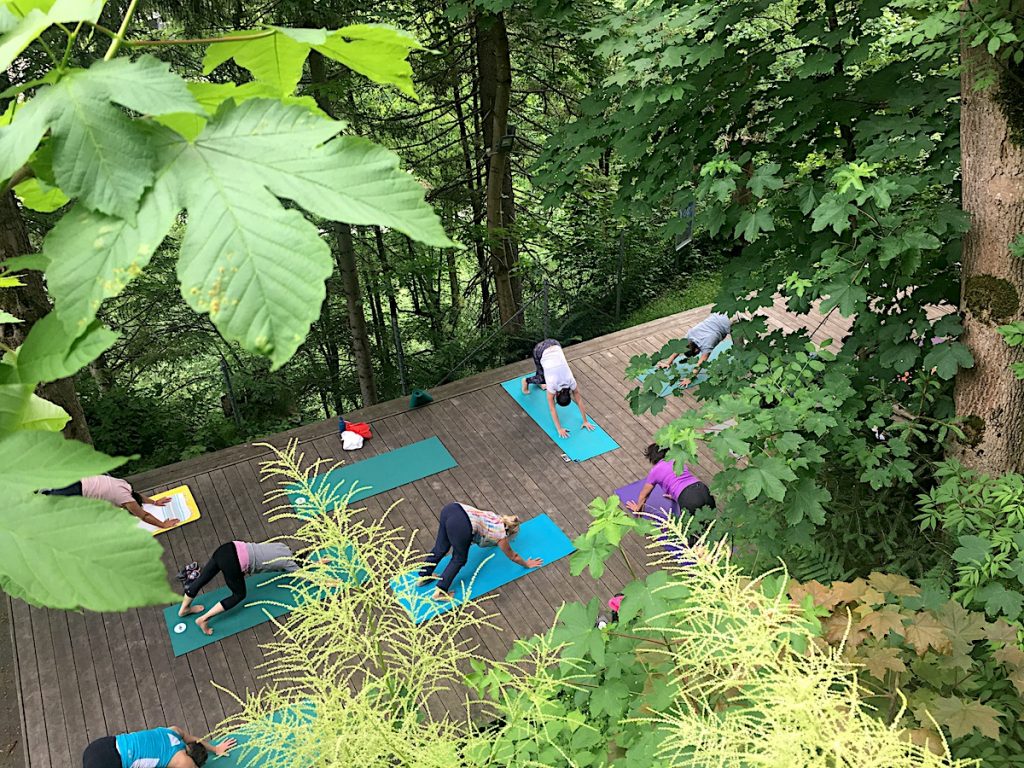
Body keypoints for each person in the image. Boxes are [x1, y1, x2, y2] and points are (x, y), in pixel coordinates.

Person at [419, 502, 544, 601]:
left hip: (451, 509)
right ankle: (440, 591)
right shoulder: (501, 535)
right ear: (509, 532)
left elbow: (485, 532)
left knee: (440, 547)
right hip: (461, 524)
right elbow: (513, 556)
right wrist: (527, 564)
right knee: (459, 559)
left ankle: (424, 575)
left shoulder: (496, 517)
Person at [178, 540, 302, 635]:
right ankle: (204, 619)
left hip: (228, 548)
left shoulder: (282, 546)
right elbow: (305, 574)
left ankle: (184, 609)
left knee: (203, 578)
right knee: (239, 595)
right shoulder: (288, 562)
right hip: (234, 562)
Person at [520, 338, 596, 438]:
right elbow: (552, 409)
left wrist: (585, 421)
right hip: (540, 350)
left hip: (555, 343)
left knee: (544, 373)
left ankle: (539, 380)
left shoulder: (571, 382)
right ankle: (526, 381)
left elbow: (579, 400)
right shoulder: (552, 385)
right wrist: (559, 429)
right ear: (557, 394)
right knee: (542, 378)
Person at [43, 475, 177, 529]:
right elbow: (144, 515)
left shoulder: (125, 486)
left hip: (77, 480)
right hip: (76, 490)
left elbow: (137, 496)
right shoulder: (126, 500)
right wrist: (163, 525)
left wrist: (153, 502)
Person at [626, 443, 716, 516]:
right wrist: (675, 495)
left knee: (691, 532)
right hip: (703, 489)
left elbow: (644, 495)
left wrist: (637, 509)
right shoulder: (676, 460)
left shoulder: (656, 470)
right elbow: (680, 480)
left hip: (688, 497)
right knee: (709, 523)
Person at [81, 725, 235, 767]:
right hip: (108, 763)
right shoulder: (185, 762)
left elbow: (195, 738)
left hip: (100, 745)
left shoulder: (175, 731)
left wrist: (215, 748)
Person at [657, 311, 732, 387]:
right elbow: (678, 349)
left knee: (739, 344)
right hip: (719, 313)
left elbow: (700, 363)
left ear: (696, 350)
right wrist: (668, 363)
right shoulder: (690, 335)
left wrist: (689, 378)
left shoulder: (707, 344)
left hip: (729, 322)